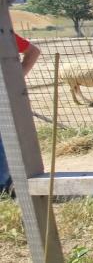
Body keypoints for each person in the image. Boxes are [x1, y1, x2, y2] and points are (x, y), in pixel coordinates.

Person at [0, 33, 41, 194]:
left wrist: (16, 78)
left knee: (3, 141)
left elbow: (33, 51)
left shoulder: (2, 32)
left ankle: (5, 184)